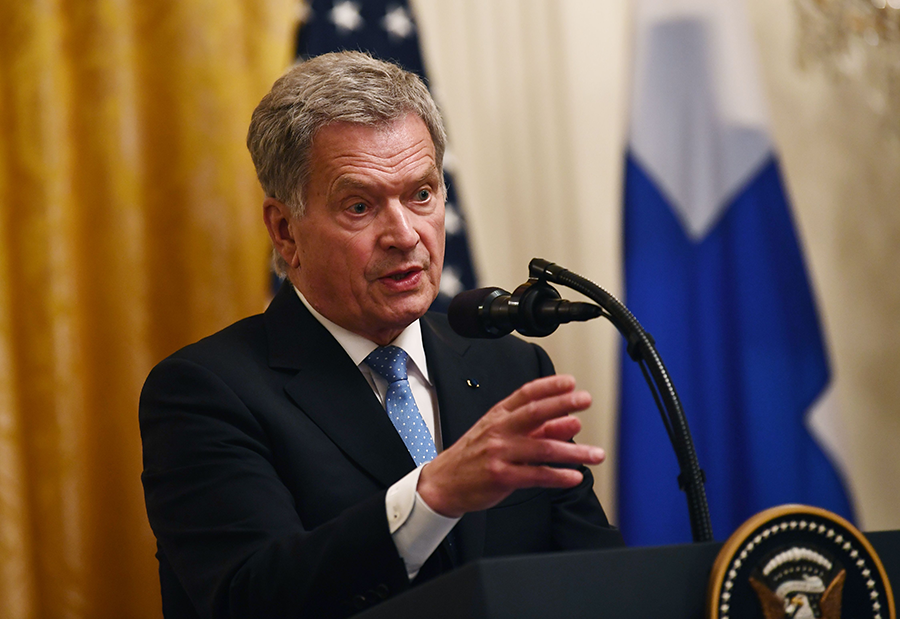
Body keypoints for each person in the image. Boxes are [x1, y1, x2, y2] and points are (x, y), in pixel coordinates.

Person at [140, 51, 624, 619]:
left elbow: (598, 578)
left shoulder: (511, 370)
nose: (404, 234)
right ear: (285, 230)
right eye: (360, 205)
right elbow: (250, 597)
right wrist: (430, 497)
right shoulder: (206, 393)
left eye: (421, 194)